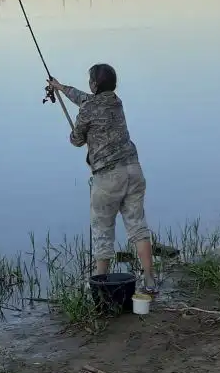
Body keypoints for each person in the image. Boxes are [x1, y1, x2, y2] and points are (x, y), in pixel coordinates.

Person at [47, 64, 157, 295]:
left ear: (95, 84)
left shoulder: (88, 109)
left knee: (102, 230)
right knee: (138, 226)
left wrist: (75, 132)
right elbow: (86, 99)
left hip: (108, 176)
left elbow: (76, 140)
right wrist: (60, 87)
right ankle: (149, 280)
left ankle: (100, 285)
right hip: (133, 170)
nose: (89, 83)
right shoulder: (116, 101)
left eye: (90, 79)